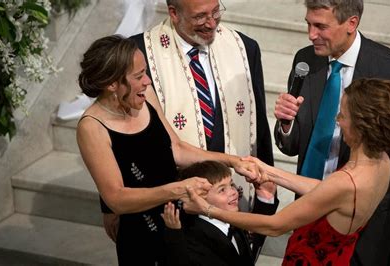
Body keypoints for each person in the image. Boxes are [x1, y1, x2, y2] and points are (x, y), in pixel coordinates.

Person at [101, 0, 275, 253]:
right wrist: (109, 205)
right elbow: (116, 128)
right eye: (200, 16)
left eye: (216, 12)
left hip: (228, 193)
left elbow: (257, 124)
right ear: (174, 13)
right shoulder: (138, 52)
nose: (212, 22)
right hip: (165, 203)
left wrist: (266, 183)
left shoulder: (244, 47)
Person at [76, 35, 261, 265]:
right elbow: (116, 198)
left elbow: (177, 149)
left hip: (178, 220)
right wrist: (176, 190)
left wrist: (233, 161)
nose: (147, 81)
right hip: (141, 232)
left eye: (145, 72)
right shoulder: (92, 127)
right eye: (138, 76)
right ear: (112, 84)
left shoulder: (144, 96)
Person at [184, 78, 390, 265]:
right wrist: (269, 171)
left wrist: (208, 209)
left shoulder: (346, 182)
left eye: (343, 115)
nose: (337, 120)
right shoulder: (381, 162)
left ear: (361, 126)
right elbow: (325, 192)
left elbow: (275, 226)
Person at [273, 1, 390, 265]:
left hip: (365, 224)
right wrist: (286, 124)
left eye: (321, 26)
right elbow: (293, 144)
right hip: (311, 210)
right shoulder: (305, 59)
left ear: (351, 23)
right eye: (308, 24)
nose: (312, 35)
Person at [161, 160, 278, 265]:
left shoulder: (235, 224)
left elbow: (255, 241)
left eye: (231, 185)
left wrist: (265, 199)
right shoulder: (193, 236)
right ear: (199, 198)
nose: (233, 192)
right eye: (222, 190)